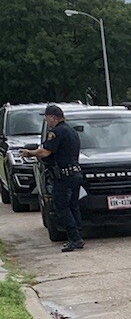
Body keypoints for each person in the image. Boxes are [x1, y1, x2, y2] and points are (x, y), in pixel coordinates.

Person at [26, 105, 84, 252]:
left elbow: (45, 152)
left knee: (62, 207)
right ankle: (78, 236)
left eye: (47, 118)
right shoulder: (72, 131)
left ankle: (75, 238)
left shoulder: (56, 132)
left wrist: (29, 153)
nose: (47, 121)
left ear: (53, 117)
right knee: (73, 206)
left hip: (63, 176)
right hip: (75, 174)